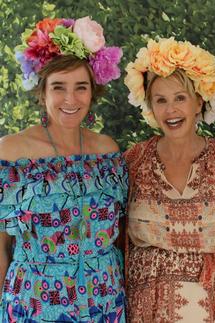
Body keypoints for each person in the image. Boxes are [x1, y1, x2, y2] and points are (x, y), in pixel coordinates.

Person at [0, 17, 126, 322]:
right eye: (59, 87)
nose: (70, 99)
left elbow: (120, 237)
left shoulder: (107, 152)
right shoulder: (10, 152)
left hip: (104, 305)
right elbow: (1, 247)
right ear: (42, 92)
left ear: (93, 92)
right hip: (33, 306)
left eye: (80, 87)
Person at [123, 37, 215, 322]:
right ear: (150, 106)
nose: (170, 110)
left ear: (198, 101)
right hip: (145, 310)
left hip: (213, 309)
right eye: (160, 100)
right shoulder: (133, 161)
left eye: (180, 98)